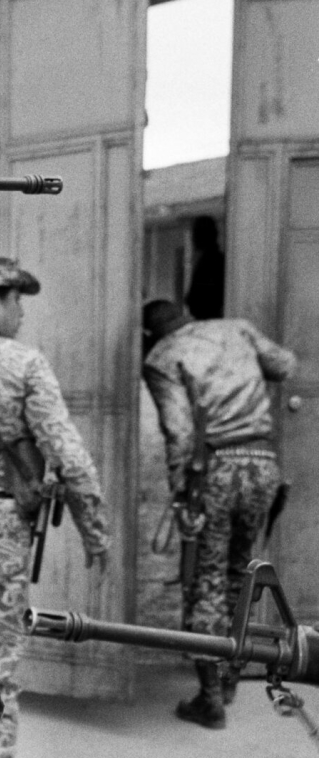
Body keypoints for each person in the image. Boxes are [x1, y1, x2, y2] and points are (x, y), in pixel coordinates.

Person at [0, 256, 111, 758]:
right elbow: (69, 457)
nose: (22, 314)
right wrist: (97, 536)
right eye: (17, 301)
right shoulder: (20, 361)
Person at [142, 299, 295, 729]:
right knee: (240, 575)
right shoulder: (238, 329)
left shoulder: (161, 357)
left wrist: (181, 491)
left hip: (214, 471)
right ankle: (230, 677)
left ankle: (210, 697)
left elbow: (178, 429)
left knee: (204, 578)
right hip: (263, 464)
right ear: (188, 312)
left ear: (151, 334)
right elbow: (284, 365)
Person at [184, 216, 225, 321]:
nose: (193, 239)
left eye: (195, 234)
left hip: (211, 319)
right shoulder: (205, 259)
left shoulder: (212, 261)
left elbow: (205, 296)